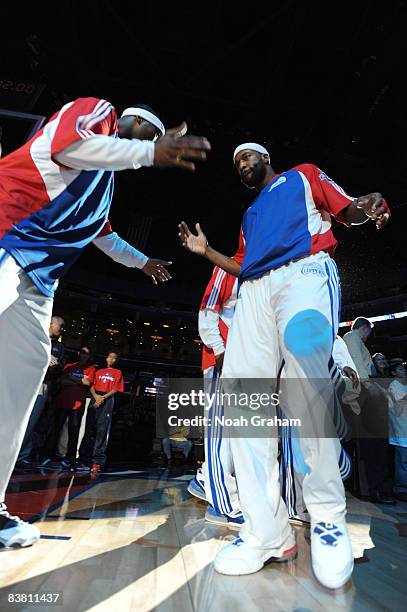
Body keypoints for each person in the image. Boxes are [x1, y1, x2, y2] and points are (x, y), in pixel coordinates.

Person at [0, 97, 210, 548]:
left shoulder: (104, 186)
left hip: (38, 280)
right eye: (149, 135)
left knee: (15, 390)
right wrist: (148, 151)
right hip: (5, 238)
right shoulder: (99, 113)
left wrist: (143, 263)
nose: (153, 145)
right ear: (132, 122)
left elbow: (106, 239)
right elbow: (71, 145)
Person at [179, 142, 390, 589]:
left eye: (247, 157)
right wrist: (206, 251)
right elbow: (240, 266)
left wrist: (363, 206)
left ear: (265, 157)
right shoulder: (251, 214)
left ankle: (328, 516)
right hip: (254, 291)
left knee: (308, 387)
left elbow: (346, 210)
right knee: (243, 401)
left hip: (305, 274)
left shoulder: (301, 175)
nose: (242, 165)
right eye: (236, 163)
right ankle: (266, 531)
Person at [187, 249, 245, 528]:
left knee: (240, 434)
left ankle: (204, 480)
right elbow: (207, 314)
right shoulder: (229, 267)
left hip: (248, 363)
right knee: (223, 434)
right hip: (222, 359)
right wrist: (221, 352)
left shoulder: (266, 270)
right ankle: (222, 504)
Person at [344, 321, 395, 503]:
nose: (368, 337)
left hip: (363, 393)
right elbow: (357, 362)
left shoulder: (356, 341)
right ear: (364, 328)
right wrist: (368, 384)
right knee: (371, 442)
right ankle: (373, 488)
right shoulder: (352, 337)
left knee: (371, 443)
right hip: (363, 393)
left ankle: (371, 488)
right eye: (368, 332)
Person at [16, 315, 65, 467]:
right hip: (24, 382)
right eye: (60, 325)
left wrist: (55, 366)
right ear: (51, 323)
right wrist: (44, 357)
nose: (62, 329)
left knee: (31, 421)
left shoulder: (60, 346)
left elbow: (60, 369)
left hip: (42, 385)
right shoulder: (37, 336)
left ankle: (21, 457)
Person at [40, 346, 96, 469]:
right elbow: (63, 382)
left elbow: (87, 383)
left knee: (73, 432)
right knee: (55, 431)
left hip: (78, 405)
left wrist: (71, 378)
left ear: (89, 356)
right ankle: (47, 456)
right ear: (78, 353)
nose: (84, 355)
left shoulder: (91, 369)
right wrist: (79, 380)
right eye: (82, 352)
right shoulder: (69, 366)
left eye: (87, 353)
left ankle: (70, 459)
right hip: (62, 402)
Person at [76, 351, 124, 474]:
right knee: (89, 429)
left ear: (116, 360)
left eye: (114, 358)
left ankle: (97, 462)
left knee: (102, 431)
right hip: (95, 397)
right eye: (109, 357)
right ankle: (83, 459)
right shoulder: (98, 371)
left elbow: (116, 389)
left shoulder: (118, 372)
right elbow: (91, 384)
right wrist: (96, 396)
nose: (111, 359)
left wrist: (102, 398)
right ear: (106, 358)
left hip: (107, 400)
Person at [388, 360, 407, 502]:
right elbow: (398, 410)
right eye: (400, 369)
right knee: (402, 462)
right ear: (393, 373)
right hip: (401, 429)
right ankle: (400, 489)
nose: (404, 370)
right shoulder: (394, 386)